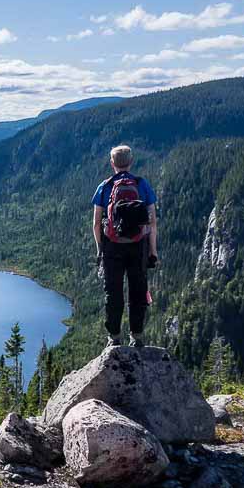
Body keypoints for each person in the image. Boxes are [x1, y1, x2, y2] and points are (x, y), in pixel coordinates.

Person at [91, 145, 158, 348]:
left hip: (112, 246)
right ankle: (137, 337)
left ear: (112, 163)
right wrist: (153, 251)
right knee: (138, 291)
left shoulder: (105, 186)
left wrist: (100, 249)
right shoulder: (142, 184)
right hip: (139, 246)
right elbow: (152, 222)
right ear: (131, 162)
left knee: (113, 292)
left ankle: (114, 338)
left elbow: (96, 224)